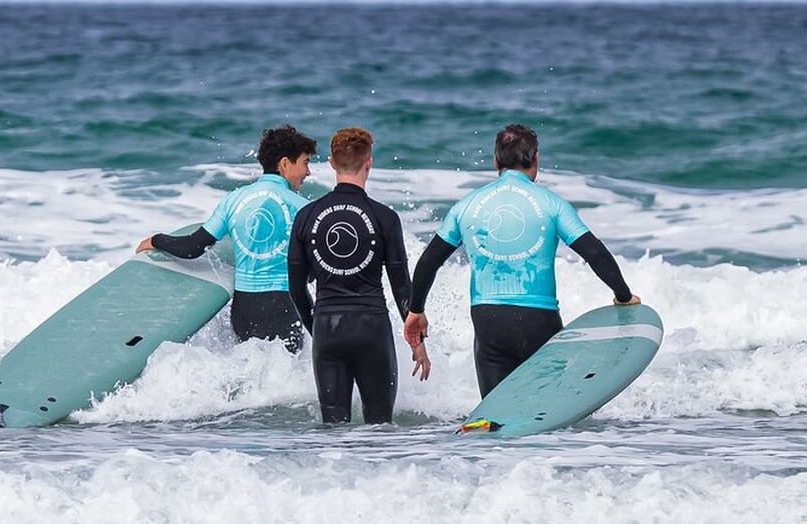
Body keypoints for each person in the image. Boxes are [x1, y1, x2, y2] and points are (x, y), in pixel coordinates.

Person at [403, 124, 640, 398]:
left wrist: (416, 310)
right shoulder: (553, 204)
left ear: (495, 160)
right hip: (539, 320)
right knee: (547, 409)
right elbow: (594, 253)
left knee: (496, 411)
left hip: (488, 320)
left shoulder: (466, 206)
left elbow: (428, 262)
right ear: (536, 158)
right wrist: (623, 296)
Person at [288, 127, 431, 424]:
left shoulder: (306, 216)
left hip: (328, 328)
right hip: (372, 329)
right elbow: (402, 287)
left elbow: (296, 287)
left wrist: (318, 329)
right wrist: (417, 343)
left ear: (331, 163)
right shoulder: (385, 217)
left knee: (333, 429)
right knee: (380, 427)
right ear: (369, 163)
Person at [136, 124, 317, 353]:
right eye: (305, 163)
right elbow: (317, 266)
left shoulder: (233, 200)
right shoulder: (304, 208)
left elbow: (193, 247)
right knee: (286, 373)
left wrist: (156, 240)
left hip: (244, 309)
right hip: (285, 307)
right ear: (284, 164)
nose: (308, 172)